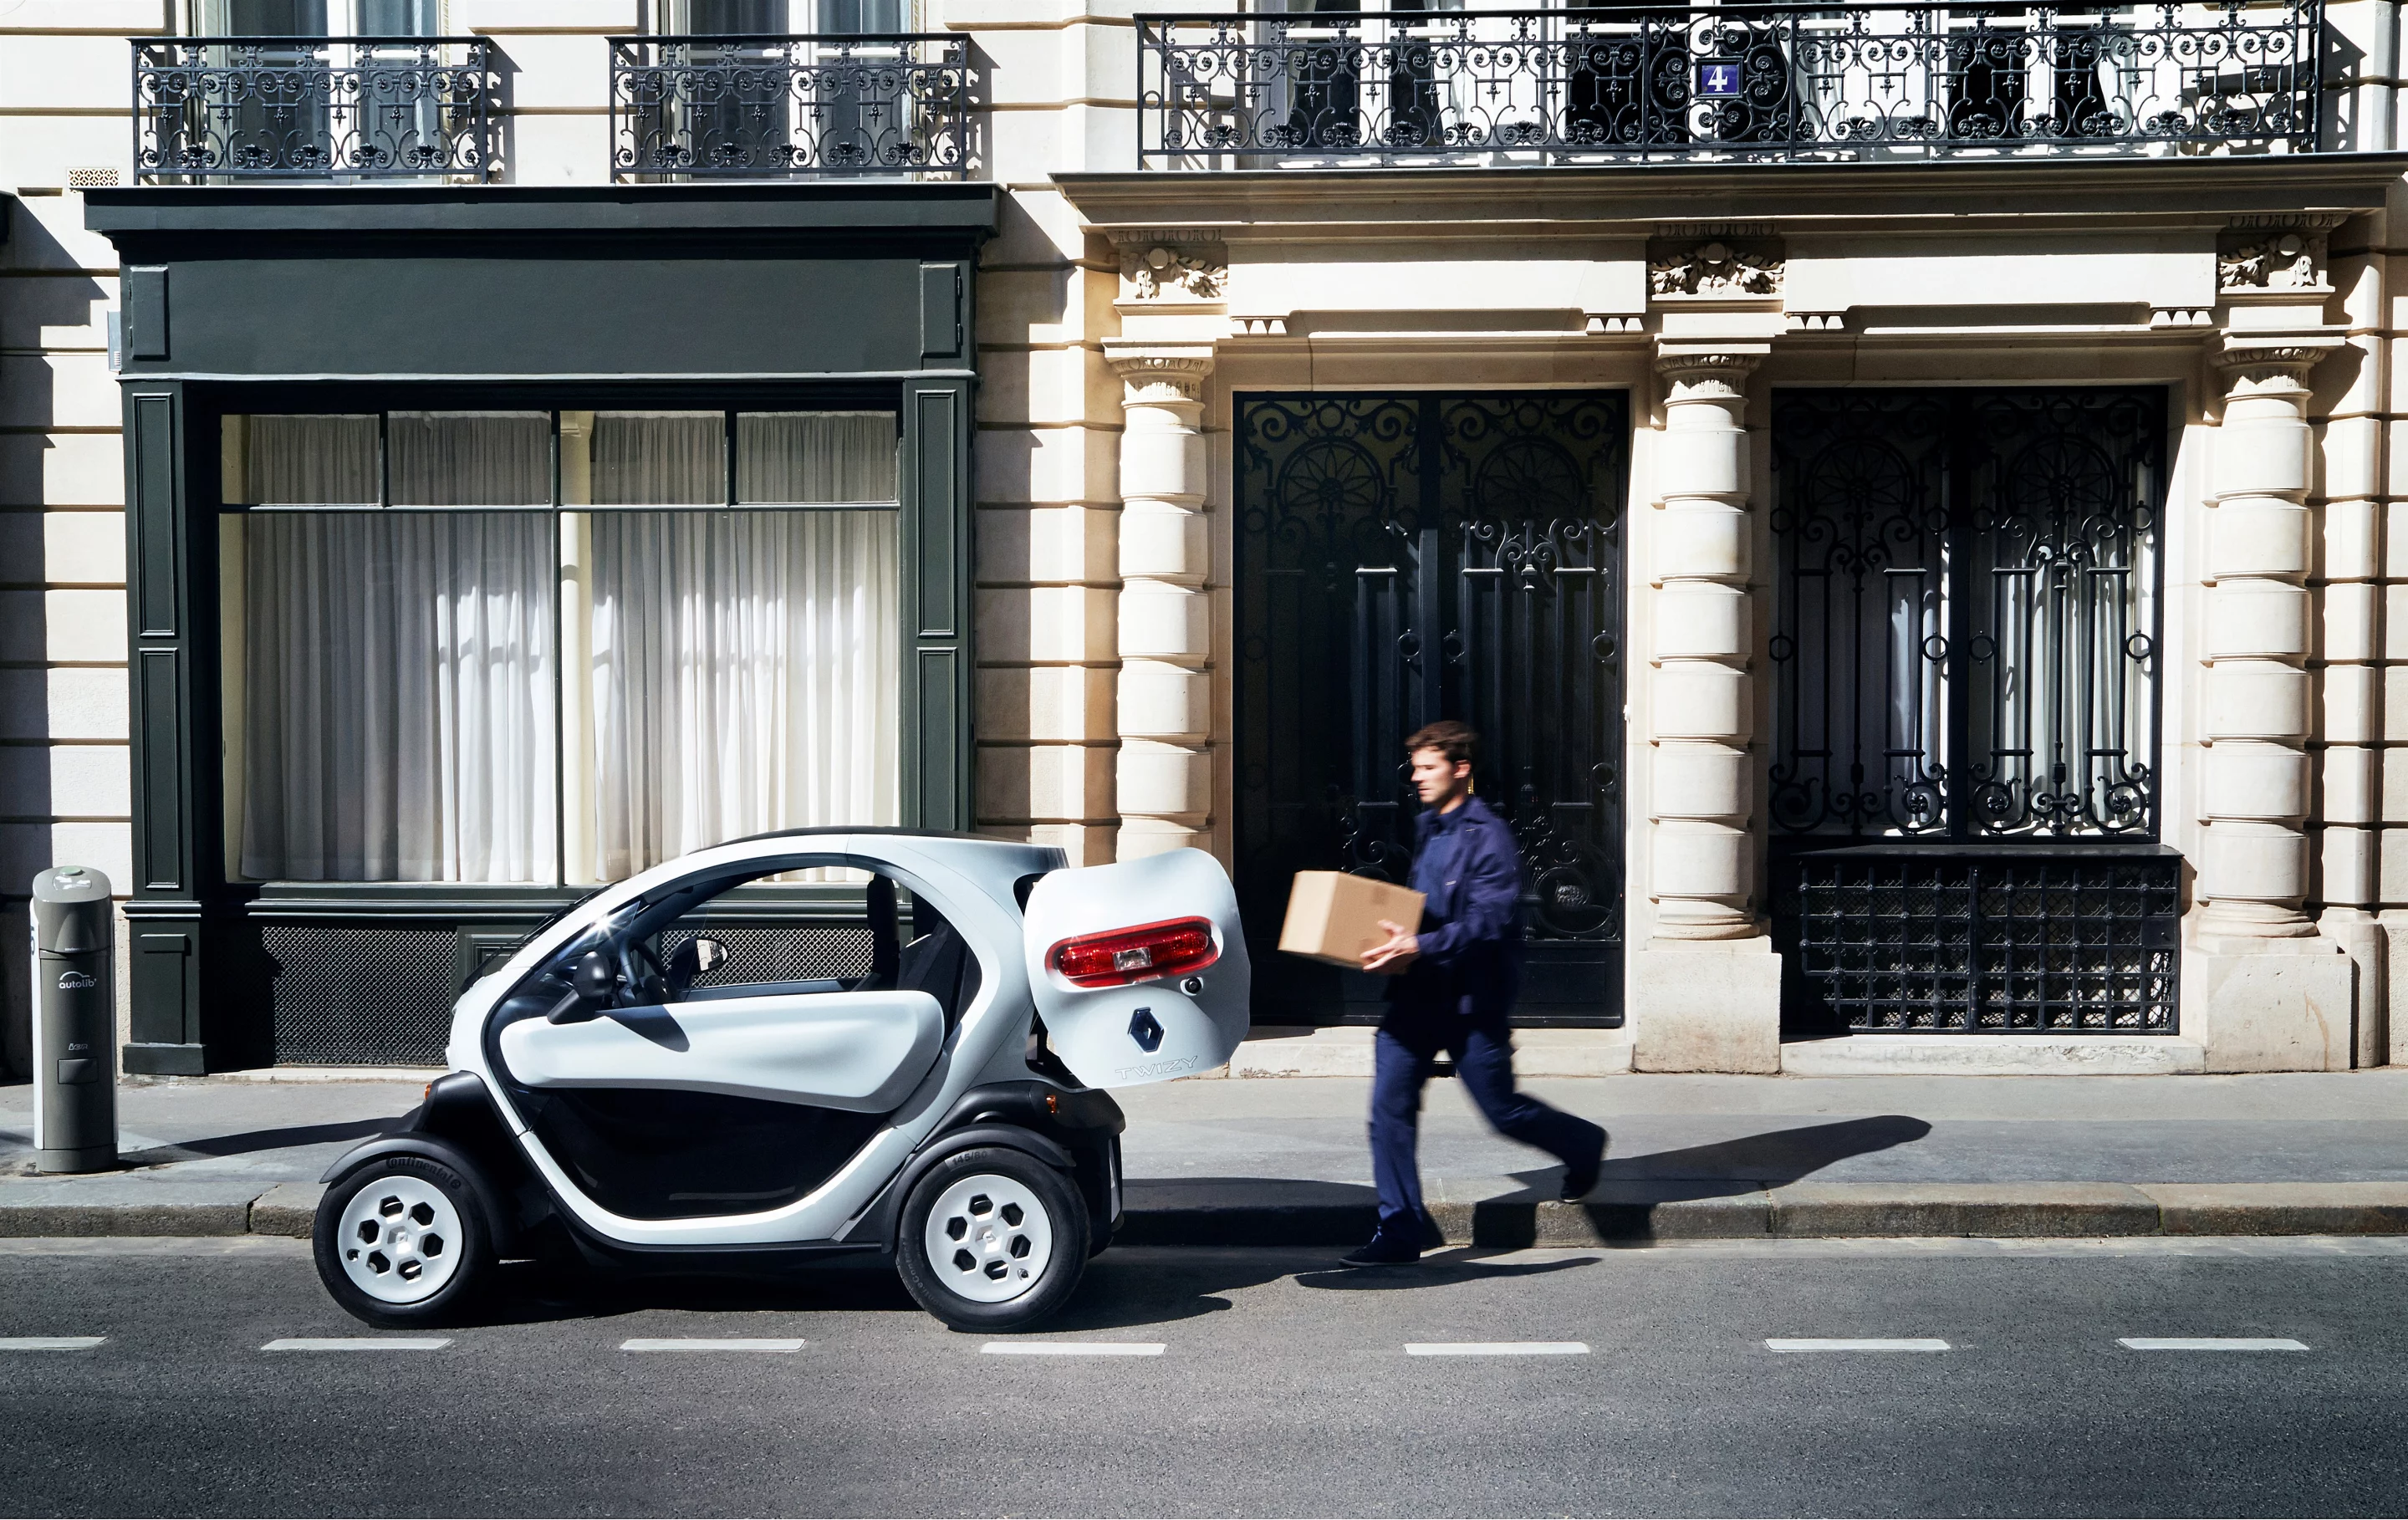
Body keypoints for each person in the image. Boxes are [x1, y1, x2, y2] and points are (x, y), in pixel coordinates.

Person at [1342, 720, 1606, 1267]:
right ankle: (1400, 1229)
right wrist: (1392, 941)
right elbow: (1428, 907)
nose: (1416, 777)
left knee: (1503, 1111)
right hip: (1416, 995)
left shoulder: (1489, 836)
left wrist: (1421, 944)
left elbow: (1489, 922)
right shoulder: (1430, 827)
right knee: (1388, 1109)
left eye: (1428, 767)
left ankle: (1582, 1144)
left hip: (1470, 1001)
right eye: (1415, 767)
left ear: (1461, 769)